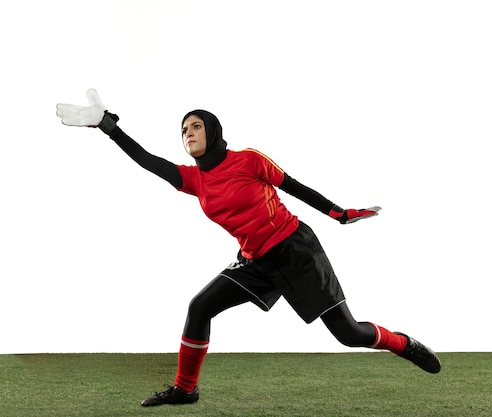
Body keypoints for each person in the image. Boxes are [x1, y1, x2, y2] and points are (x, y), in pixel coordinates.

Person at [56, 89, 441, 407]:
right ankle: (186, 389)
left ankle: (404, 344)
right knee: (199, 306)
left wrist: (338, 213)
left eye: (195, 126)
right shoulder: (194, 180)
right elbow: (147, 160)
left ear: (214, 131)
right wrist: (107, 126)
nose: (188, 133)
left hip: (296, 250)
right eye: (183, 130)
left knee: (348, 333)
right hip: (255, 261)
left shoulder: (248, 160)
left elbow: (293, 186)